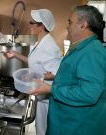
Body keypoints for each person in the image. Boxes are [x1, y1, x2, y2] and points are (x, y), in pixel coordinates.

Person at [30, 5, 106, 135]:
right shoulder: (81, 48)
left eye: (70, 22)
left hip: (77, 126)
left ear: (83, 25)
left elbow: (89, 94)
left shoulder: (92, 52)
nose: (67, 26)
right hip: (67, 122)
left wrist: (51, 89)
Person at [5, 9, 61, 135]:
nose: (30, 25)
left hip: (46, 98)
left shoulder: (50, 47)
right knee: (40, 128)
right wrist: (16, 54)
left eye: (32, 22)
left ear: (41, 26)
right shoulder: (39, 42)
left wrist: (35, 76)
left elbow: (56, 73)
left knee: (44, 130)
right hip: (39, 95)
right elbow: (34, 61)